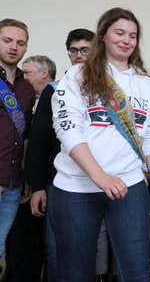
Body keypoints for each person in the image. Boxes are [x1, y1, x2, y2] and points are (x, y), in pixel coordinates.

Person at [50, 7, 150, 281]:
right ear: (103, 35)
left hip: (129, 186)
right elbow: (68, 129)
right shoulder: (78, 76)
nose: (126, 40)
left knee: (136, 272)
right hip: (75, 187)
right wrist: (100, 176)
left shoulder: (145, 84)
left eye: (133, 35)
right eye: (119, 32)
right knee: (75, 272)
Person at [23, 29, 96, 281]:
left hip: (99, 184)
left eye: (84, 49)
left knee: (92, 256)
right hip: (59, 184)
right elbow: (39, 142)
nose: (78, 55)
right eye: (73, 50)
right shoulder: (54, 91)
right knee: (58, 254)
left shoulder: (107, 92)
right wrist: (38, 185)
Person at [4, 55, 56, 281]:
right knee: (18, 242)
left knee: (45, 244)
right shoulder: (22, 100)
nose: (22, 77)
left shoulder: (59, 98)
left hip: (47, 182)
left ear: (44, 73)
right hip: (18, 180)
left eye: (27, 73)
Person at [0, 19, 36, 259]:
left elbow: (26, 136)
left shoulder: (27, 88)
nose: (14, 46)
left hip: (14, 183)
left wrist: (27, 176)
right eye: (7, 40)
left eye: (20, 43)